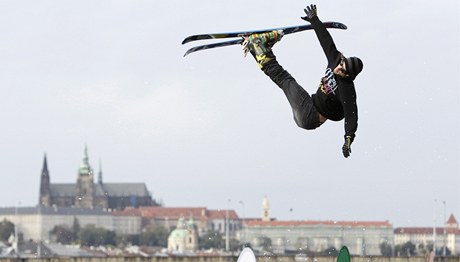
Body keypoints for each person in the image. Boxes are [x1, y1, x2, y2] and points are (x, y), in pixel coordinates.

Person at [242, 4, 363, 158]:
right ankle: (257, 48)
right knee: (284, 79)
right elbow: (326, 41)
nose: (338, 69)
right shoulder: (335, 60)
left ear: (349, 76)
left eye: (343, 71)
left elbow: (352, 115)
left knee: (285, 79)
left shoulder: (347, 90)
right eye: (341, 65)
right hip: (309, 104)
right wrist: (314, 20)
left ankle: (258, 48)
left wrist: (348, 139)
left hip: (310, 116)